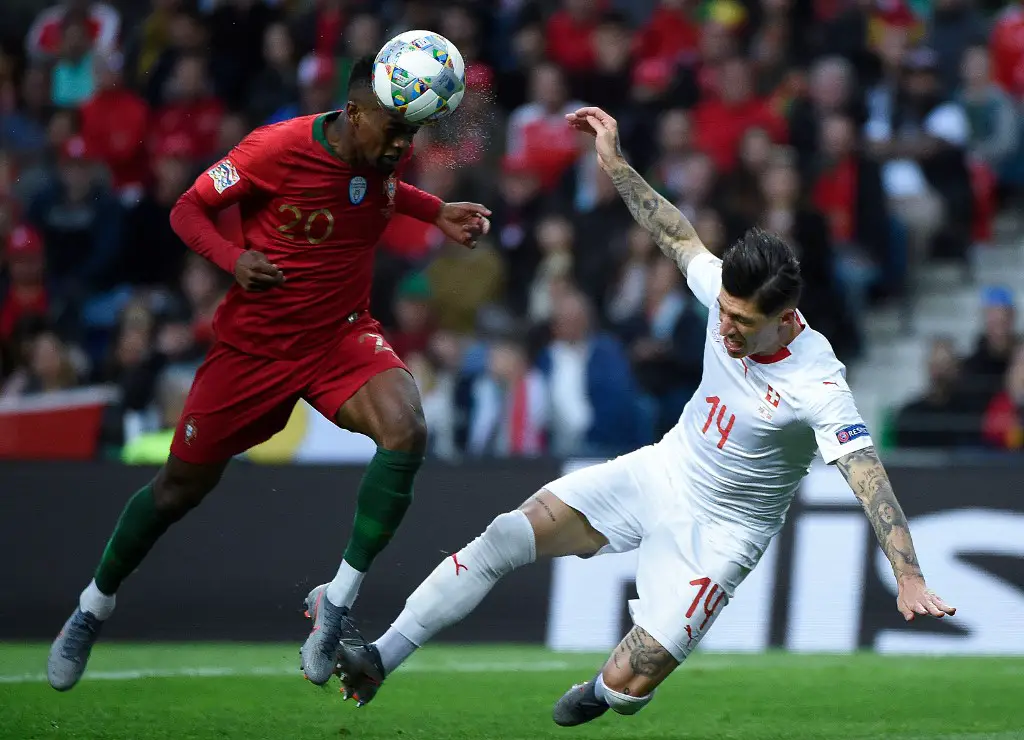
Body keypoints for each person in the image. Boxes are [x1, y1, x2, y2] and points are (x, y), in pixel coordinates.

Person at [333, 107, 955, 722]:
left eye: (744, 323)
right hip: (662, 470)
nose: (727, 329)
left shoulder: (817, 382)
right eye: (726, 315)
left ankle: (606, 692)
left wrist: (909, 576)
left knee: (628, 684)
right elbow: (677, 234)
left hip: (723, 535)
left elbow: (869, 479)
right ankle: (381, 657)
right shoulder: (724, 294)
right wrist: (616, 164)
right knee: (505, 534)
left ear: (787, 319)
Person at [46, 55, 492, 692]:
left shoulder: (377, 157)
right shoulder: (276, 149)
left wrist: (435, 211)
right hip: (253, 350)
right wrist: (233, 259)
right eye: (395, 131)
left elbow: (374, 192)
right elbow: (187, 210)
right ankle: (93, 606)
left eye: (411, 134)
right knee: (177, 490)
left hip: (339, 334)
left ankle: (334, 602)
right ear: (356, 112)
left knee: (407, 428)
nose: (403, 145)